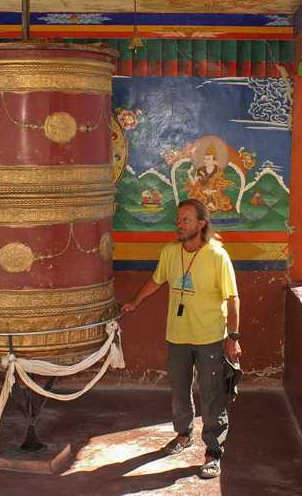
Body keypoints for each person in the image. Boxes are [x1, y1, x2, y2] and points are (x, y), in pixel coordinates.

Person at [122, 198, 241, 479]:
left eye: (185, 219)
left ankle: (213, 453)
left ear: (201, 224)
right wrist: (135, 302)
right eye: (178, 219)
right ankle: (183, 435)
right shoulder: (170, 252)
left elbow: (233, 299)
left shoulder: (217, 256)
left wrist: (233, 338)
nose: (179, 224)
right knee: (179, 390)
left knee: (212, 396)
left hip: (210, 337)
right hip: (177, 336)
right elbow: (156, 280)